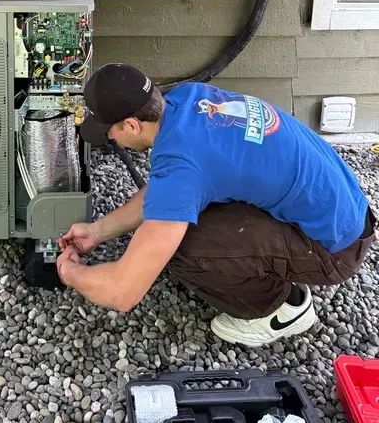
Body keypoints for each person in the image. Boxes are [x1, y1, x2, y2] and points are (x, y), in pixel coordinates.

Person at [56, 63, 376, 347]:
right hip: (346, 211)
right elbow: (165, 194)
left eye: (109, 133)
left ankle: (281, 309)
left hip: (334, 250)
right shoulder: (189, 98)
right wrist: (97, 231)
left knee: (181, 244)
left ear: (130, 125)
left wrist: (71, 273)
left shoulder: (184, 166)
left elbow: (122, 291)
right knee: (178, 216)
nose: (111, 140)